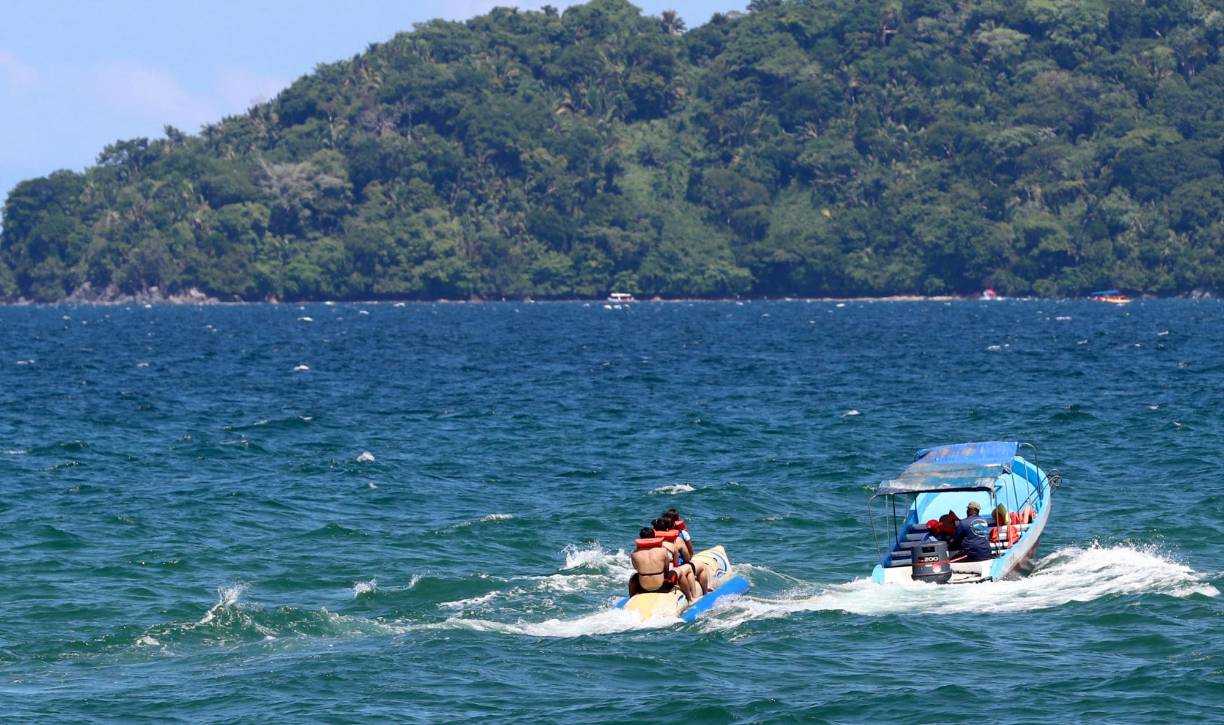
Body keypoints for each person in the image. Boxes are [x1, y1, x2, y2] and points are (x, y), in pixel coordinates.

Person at [658, 511, 711, 595]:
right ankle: (704, 593)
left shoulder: (655, 539)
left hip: (659, 573)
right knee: (701, 566)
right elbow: (687, 558)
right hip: (676, 570)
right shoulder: (679, 538)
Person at [652, 517, 704, 599]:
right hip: (669, 575)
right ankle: (693, 597)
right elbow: (687, 559)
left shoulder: (650, 542)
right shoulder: (676, 541)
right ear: (668, 529)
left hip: (651, 578)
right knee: (689, 568)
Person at [629, 527, 682, 597]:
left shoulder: (634, 553)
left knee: (633, 576)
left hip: (643, 588)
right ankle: (689, 597)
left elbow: (636, 568)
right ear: (654, 537)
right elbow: (666, 570)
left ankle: (632, 598)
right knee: (678, 570)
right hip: (662, 587)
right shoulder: (663, 551)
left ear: (641, 538)